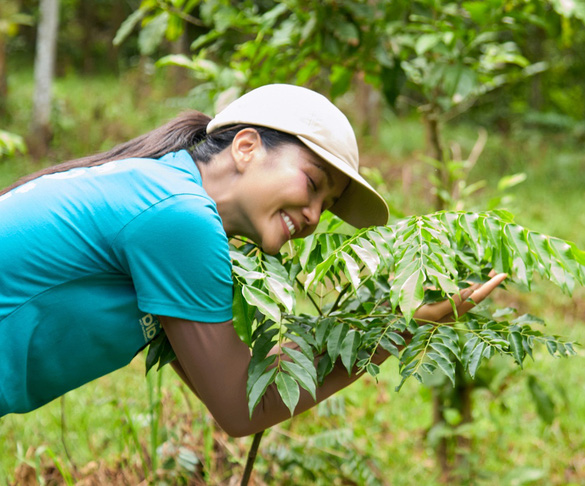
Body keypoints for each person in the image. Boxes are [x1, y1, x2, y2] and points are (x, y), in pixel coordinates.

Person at [0, 84, 507, 435]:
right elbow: (242, 406)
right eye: (312, 184)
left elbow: (226, 381)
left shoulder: (163, 185)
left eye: (326, 207)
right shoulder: (180, 220)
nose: (313, 215)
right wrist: (395, 330)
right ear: (246, 147)